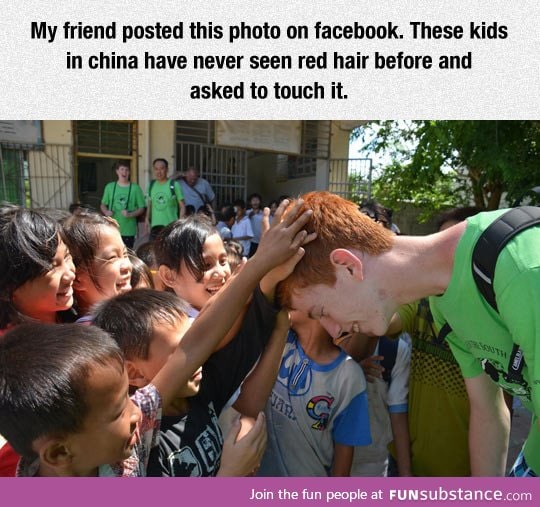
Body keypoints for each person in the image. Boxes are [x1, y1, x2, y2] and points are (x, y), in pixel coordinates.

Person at [0, 198, 313, 477]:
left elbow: (194, 346)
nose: (138, 410)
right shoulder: (130, 455)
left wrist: (262, 269)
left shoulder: (129, 422)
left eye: (66, 257)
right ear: (57, 453)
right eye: (118, 409)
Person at [280, 191, 540, 476]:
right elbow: (488, 410)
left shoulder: (521, 266)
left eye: (321, 311)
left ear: (348, 266)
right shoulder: (441, 299)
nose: (333, 329)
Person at [92, 289, 289, 476]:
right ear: (133, 372)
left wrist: (280, 329)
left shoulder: (196, 392)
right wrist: (231, 474)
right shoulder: (140, 445)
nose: (198, 356)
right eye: (181, 350)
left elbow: (250, 402)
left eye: (195, 343)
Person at [258, 309, 371, 476]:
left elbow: (342, 465)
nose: (286, 298)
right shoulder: (278, 338)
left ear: (323, 310)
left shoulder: (348, 376)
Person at [0, 205, 76, 332]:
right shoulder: (14, 348)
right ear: (6, 290)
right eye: (51, 266)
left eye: (67, 256)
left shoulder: (75, 316)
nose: (70, 275)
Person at [62, 211, 133, 319]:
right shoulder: (86, 333)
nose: (127, 265)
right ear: (77, 279)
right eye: (112, 257)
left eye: (125, 254)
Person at [100, 160, 146, 248]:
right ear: (117, 171)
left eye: (127, 170)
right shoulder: (110, 187)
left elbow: (142, 208)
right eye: (122, 169)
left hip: (129, 230)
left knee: (127, 255)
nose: (124, 172)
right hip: (112, 228)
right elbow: (103, 204)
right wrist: (106, 212)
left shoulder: (135, 188)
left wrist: (130, 214)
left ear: (129, 172)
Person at [146, 158, 185, 241]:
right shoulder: (151, 185)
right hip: (155, 229)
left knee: (170, 253)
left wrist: (179, 224)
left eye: (162, 168)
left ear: (167, 169)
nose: (159, 171)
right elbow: (150, 204)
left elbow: (182, 206)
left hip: (170, 228)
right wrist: (147, 219)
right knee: (153, 252)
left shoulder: (174, 185)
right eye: (156, 169)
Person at [247, 193, 264, 257]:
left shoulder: (263, 213)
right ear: (250, 202)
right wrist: (249, 216)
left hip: (260, 240)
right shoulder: (247, 212)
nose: (255, 202)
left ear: (260, 202)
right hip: (250, 241)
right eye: (253, 200)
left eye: (257, 200)